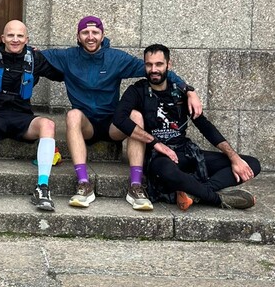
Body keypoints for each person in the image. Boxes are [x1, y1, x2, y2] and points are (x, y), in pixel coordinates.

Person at [39, 16, 201, 210]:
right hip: (86, 125)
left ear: (102, 35)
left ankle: (136, 186)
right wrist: (10, 49)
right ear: (78, 36)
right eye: (85, 32)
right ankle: (83, 183)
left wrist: (189, 90)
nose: (90, 37)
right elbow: (34, 55)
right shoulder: (67, 56)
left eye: (95, 32)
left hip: (113, 125)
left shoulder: (116, 58)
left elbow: (155, 70)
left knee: (136, 116)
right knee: (72, 115)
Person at [111, 43, 259, 210]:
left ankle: (196, 193)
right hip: (158, 157)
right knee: (167, 172)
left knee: (251, 163)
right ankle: (217, 199)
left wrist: (234, 157)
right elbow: (119, 119)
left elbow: (205, 127)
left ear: (168, 65)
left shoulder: (180, 92)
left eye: (159, 64)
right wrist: (156, 143)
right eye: (149, 64)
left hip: (186, 152)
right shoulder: (137, 91)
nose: (153, 69)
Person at [0, 20, 64, 212]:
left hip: (22, 118)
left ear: (27, 39)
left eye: (19, 36)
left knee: (48, 125)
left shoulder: (35, 58)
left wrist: (46, 54)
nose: (15, 39)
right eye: (10, 35)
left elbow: (62, 74)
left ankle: (42, 188)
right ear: (3, 38)